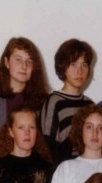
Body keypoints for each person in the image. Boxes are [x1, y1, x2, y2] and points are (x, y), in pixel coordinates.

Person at [0, 37, 48, 159]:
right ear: (7, 62)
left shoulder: (43, 102)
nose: (24, 66)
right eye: (18, 59)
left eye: (29, 61)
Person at [41, 39, 95, 167]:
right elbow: (46, 147)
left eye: (84, 64)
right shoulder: (54, 102)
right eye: (73, 64)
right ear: (63, 67)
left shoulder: (90, 105)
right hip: (63, 171)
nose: (79, 71)